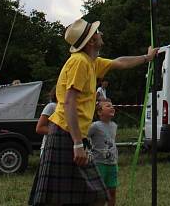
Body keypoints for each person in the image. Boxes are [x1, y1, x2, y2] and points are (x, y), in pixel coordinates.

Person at [29, 18, 157, 206]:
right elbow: (70, 102)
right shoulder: (79, 62)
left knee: (92, 195)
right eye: (97, 32)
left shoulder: (91, 61)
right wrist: (77, 143)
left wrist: (146, 58)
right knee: (89, 195)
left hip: (70, 134)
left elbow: (119, 63)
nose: (101, 33)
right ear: (91, 41)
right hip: (66, 133)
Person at [88, 98, 119, 206]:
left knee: (112, 191)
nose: (112, 107)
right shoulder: (95, 126)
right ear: (99, 112)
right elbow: (84, 136)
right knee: (100, 193)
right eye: (108, 106)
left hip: (112, 164)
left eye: (112, 105)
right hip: (99, 164)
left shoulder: (114, 126)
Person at [35, 86, 58, 158]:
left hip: (63, 148)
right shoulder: (52, 106)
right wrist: (61, 133)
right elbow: (39, 128)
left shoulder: (69, 107)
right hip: (49, 148)